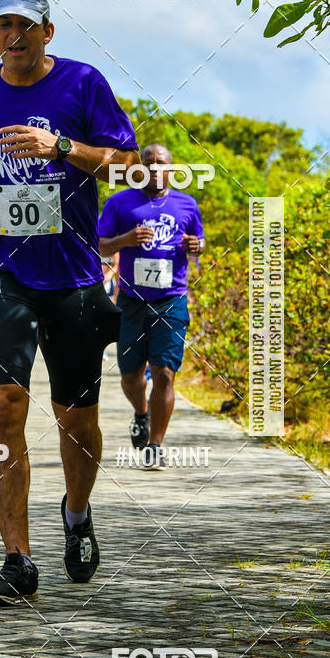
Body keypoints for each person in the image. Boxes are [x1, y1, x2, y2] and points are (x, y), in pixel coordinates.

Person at [0, 0, 139, 606]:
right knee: (1, 407)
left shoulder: (83, 83)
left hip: (72, 278)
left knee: (76, 420)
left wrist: (62, 147)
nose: (13, 36)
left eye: (25, 25)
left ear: (48, 32)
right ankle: (16, 560)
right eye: (2, 26)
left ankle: (76, 513)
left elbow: (127, 166)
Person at [98, 144, 205, 468]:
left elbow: (199, 242)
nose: (155, 168)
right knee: (131, 376)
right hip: (132, 301)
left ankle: (155, 446)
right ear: (139, 168)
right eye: (149, 162)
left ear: (171, 169)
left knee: (164, 374)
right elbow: (98, 244)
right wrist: (126, 240)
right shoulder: (120, 202)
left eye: (161, 163)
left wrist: (196, 245)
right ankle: (141, 413)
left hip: (171, 299)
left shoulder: (187, 204)